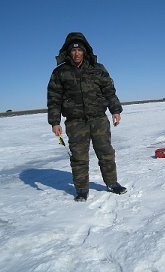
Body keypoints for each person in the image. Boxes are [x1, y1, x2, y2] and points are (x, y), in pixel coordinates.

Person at [47, 32, 127, 202]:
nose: (76, 53)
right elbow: (54, 98)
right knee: (79, 157)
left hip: (98, 119)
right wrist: (55, 121)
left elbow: (109, 91)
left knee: (106, 153)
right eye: (73, 51)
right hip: (75, 122)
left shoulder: (97, 69)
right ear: (68, 52)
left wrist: (115, 111)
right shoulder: (60, 72)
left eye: (79, 50)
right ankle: (82, 189)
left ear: (84, 51)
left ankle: (112, 183)